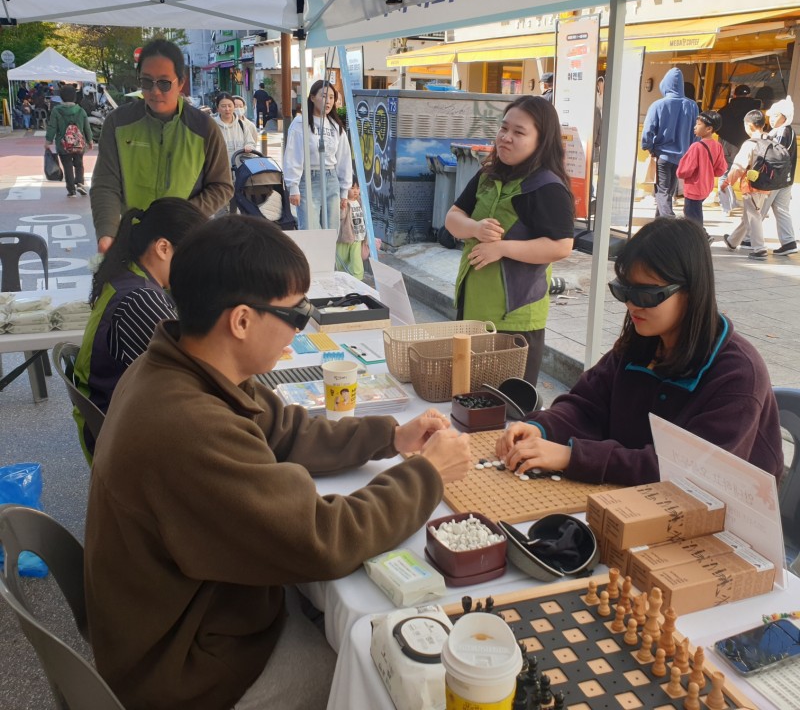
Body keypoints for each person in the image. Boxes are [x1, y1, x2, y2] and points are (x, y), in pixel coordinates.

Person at [84, 214, 472, 710]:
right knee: (371, 674)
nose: (303, 323)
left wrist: (392, 437)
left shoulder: (183, 364)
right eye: (294, 312)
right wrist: (428, 475)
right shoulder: (188, 426)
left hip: (193, 613)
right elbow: (324, 539)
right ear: (241, 320)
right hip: (183, 668)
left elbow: (285, 430)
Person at [495, 216, 783, 487]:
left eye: (647, 294)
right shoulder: (640, 345)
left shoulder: (738, 374)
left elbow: (691, 470)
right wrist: (542, 429)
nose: (632, 305)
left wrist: (573, 456)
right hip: (630, 498)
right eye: (624, 290)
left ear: (692, 291)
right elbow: (586, 405)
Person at [444, 95, 574, 385]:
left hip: (515, 318)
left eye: (519, 132)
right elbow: (452, 218)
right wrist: (474, 227)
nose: (506, 138)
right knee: (467, 395)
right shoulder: (488, 175)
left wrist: (502, 248)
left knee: (506, 406)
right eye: (504, 129)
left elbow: (562, 246)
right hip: (473, 307)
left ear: (541, 140)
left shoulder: (548, 187)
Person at [72, 198, 207, 461]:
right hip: (126, 442)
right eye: (194, 257)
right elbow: (195, 379)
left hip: (117, 422)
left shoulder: (127, 276)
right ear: (163, 248)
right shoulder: (141, 300)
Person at [90, 37, 233, 254]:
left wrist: (182, 217)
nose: (155, 91)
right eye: (147, 82)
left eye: (164, 83)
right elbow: (105, 183)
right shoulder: (118, 123)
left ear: (181, 82)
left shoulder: (204, 128)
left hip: (186, 242)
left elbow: (222, 186)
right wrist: (107, 232)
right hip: (133, 241)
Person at [283, 80, 352, 231]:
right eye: (324, 96)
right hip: (308, 178)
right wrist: (293, 186)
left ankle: (329, 255)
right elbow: (293, 155)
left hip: (331, 177)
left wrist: (344, 190)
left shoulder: (335, 125)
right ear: (312, 97)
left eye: (332, 97)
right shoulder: (301, 122)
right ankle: (310, 256)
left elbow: (343, 158)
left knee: (332, 228)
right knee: (310, 228)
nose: (328, 101)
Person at [640, 67, 698, 218]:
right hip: (682, 157)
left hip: (663, 155)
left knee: (662, 191)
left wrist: (649, 147)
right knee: (668, 191)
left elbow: (648, 131)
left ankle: (669, 221)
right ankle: (659, 224)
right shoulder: (692, 105)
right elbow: (696, 132)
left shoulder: (658, 105)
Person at [721, 109, 775, 260]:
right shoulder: (770, 140)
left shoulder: (750, 143)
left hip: (751, 185)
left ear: (750, 125)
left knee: (753, 215)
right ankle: (733, 241)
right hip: (767, 184)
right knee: (750, 214)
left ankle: (759, 248)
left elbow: (738, 166)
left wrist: (727, 182)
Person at [676, 111, 727, 229]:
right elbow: (720, 169)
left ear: (709, 129)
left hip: (694, 187)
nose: (695, 126)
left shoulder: (696, 146)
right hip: (706, 186)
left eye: (698, 124)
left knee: (691, 217)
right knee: (695, 212)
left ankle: (701, 236)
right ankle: (701, 234)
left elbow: (683, 171)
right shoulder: (717, 145)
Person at [760, 98, 797, 256]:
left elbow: (775, 155)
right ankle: (788, 242)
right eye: (772, 116)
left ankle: (748, 238)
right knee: (782, 210)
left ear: (785, 116)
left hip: (775, 179)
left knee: (759, 209)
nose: (772, 119)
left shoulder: (781, 132)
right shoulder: (789, 130)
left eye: (776, 116)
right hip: (786, 179)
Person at [717, 85, 760, 215]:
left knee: (725, 173)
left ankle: (726, 206)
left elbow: (717, 127)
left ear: (734, 95)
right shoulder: (754, 109)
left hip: (727, 144)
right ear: (749, 95)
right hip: (748, 144)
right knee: (749, 175)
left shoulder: (724, 110)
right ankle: (754, 206)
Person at [44, 84, 93, 198]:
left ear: (61, 97)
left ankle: (71, 189)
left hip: (63, 145)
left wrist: (48, 141)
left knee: (67, 166)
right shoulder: (80, 111)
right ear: (75, 97)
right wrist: (90, 141)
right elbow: (87, 127)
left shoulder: (56, 111)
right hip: (79, 143)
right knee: (79, 164)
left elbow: (52, 127)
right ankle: (80, 182)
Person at [336, 179, 380, 280]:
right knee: (341, 263)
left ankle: (358, 280)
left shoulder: (360, 201)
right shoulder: (343, 202)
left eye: (358, 188)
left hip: (358, 237)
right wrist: (342, 203)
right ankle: (341, 281)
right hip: (344, 238)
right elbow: (340, 217)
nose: (355, 191)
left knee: (357, 263)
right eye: (352, 188)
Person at [214, 92, 257, 162]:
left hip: (239, 170)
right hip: (220, 171)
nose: (227, 109)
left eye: (230, 105)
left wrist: (249, 148)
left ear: (233, 107)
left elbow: (251, 145)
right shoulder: (212, 126)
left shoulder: (242, 125)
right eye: (223, 106)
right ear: (217, 108)